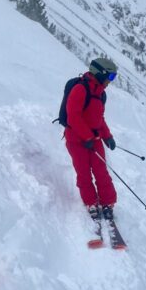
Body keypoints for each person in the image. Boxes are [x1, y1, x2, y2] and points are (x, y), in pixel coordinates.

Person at [64, 56, 118, 222]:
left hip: (93, 140)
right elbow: (73, 116)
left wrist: (107, 137)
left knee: (101, 172)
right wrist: (86, 136)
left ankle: (107, 203)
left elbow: (99, 118)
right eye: (110, 77)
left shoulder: (101, 94)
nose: (111, 81)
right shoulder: (80, 89)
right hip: (76, 140)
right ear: (100, 73)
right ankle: (91, 203)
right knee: (84, 174)